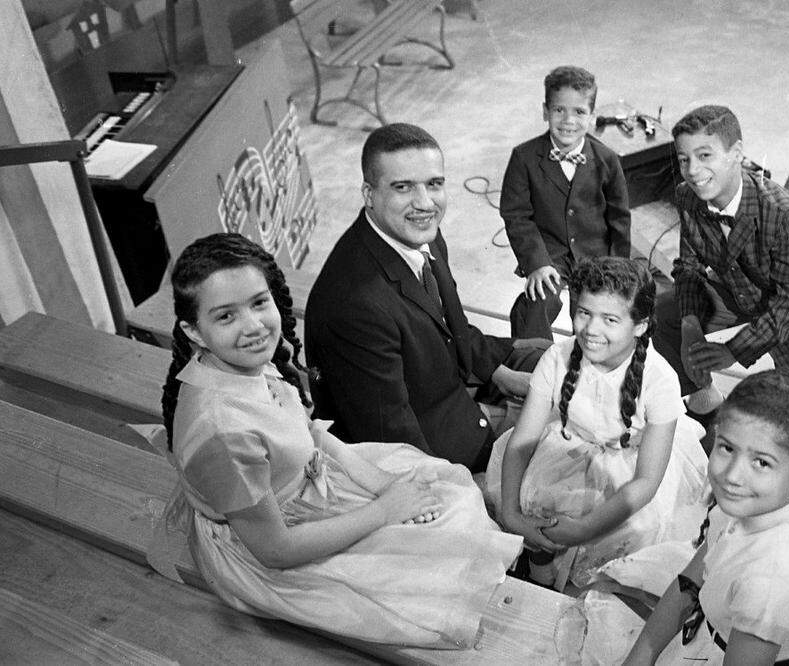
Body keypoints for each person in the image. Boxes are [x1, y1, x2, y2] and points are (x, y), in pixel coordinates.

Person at [155, 233, 522, 648]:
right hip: (276, 542)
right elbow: (275, 551)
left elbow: (305, 432)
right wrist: (383, 510)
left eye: (259, 303)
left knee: (445, 493)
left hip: (304, 483)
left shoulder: (243, 363)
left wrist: (380, 482)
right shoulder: (221, 432)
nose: (254, 326)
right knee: (436, 567)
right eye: (226, 317)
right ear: (194, 331)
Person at [305, 123, 548, 471]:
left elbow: (451, 325)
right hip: (434, 445)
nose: (424, 203)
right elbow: (392, 441)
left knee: (568, 363)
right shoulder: (354, 304)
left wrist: (499, 372)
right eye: (402, 187)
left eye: (434, 184)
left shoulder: (419, 233)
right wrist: (465, 486)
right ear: (369, 194)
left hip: (454, 383)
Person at [485, 257, 707, 590]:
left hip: (629, 464)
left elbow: (645, 482)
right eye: (585, 312)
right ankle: (539, 571)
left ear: (641, 326)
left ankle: (598, 586)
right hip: (568, 446)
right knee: (535, 495)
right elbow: (522, 440)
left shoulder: (660, 380)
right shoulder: (557, 358)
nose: (591, 329)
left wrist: (585, 529)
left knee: (638, 527)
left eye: (610, 319)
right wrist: (513, 514)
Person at [623, 369, 789, 666]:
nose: (731, 475)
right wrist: (640, 658)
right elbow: (691, 581)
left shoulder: (768, 584)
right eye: (727, 447)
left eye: (761, 462)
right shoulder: (757, 504)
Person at [653, 105, 789, 421]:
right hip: (740, 293)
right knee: (663, 314)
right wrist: (690, 324)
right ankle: (703, 401)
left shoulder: (786, 213)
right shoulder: (687, 195)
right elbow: (689, 266)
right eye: (684, 159)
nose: (693, 170)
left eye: (704, 156)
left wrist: (733, 350)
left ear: (736, 153)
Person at [500, 65, 631, 340]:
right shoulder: (524, 157)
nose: (568, 120)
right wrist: (536, 262)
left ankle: (587, 366)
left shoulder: (607, 159)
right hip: (549, 253)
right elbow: (516, 216)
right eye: (559, 110)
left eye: (580, 112)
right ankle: (531, 361)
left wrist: (617, 269)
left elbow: (619, 218)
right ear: (545, 111)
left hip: (596, 256)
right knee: (539, 302)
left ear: (592, 117)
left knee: (595, 314)